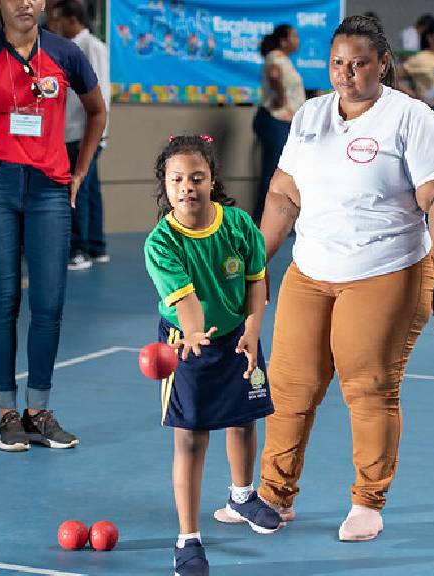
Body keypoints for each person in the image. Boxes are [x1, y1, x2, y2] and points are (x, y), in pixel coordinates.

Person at [256, 15, 434, 542]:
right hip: (311, 268)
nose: (345, 74)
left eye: (359, 64)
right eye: (337, 64)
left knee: (369, 387)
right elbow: (284, 194)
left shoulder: (413, 119)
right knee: (289, 386)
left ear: (383, 63)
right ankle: (273, 497)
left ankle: (367, 502)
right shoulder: (310, 115)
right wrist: (258, 262)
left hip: (385, 269)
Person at [0, 0, 106, 451]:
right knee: (3, 299)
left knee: (49, 303)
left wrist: (80, 172)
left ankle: (38, 411)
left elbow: (97, 111)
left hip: (49, 191)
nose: (24, 3)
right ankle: (6, 413)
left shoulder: (66, 53)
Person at [144, 135, 282, 576]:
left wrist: (253, 330)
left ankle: (242, 497)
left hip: (238, 335)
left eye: (196, 178)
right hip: (186, 344)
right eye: (176, 179)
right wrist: (193, 333)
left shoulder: (239, 225)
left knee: (244, 418)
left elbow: (256, 281)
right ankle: (188, 538)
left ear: (212, 180)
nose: (187, 187)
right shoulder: (161, 243)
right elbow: (186, 301)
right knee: (191, 436)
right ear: (165, 186)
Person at [46, 0, 112, 270]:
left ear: (73, 19)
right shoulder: (73, 47)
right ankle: (96, 246)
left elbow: (100, 96)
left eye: (57, 18)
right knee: (90, 190)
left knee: (77, 190)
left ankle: (78, 249)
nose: (53, 24)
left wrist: (93, 136)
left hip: (83, 134)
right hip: (74, 132)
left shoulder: (91, 47)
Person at [253, 24, 303, 224]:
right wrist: (281, 97)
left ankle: (269, 219)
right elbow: (274, 75)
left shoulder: (283, 59)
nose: (298, 40)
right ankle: (263, 221)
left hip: (280, 122)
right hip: (275, 121)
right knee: (273, 173)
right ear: (283, 41)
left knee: (279, 173)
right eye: (294, 36)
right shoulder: (275, 57)